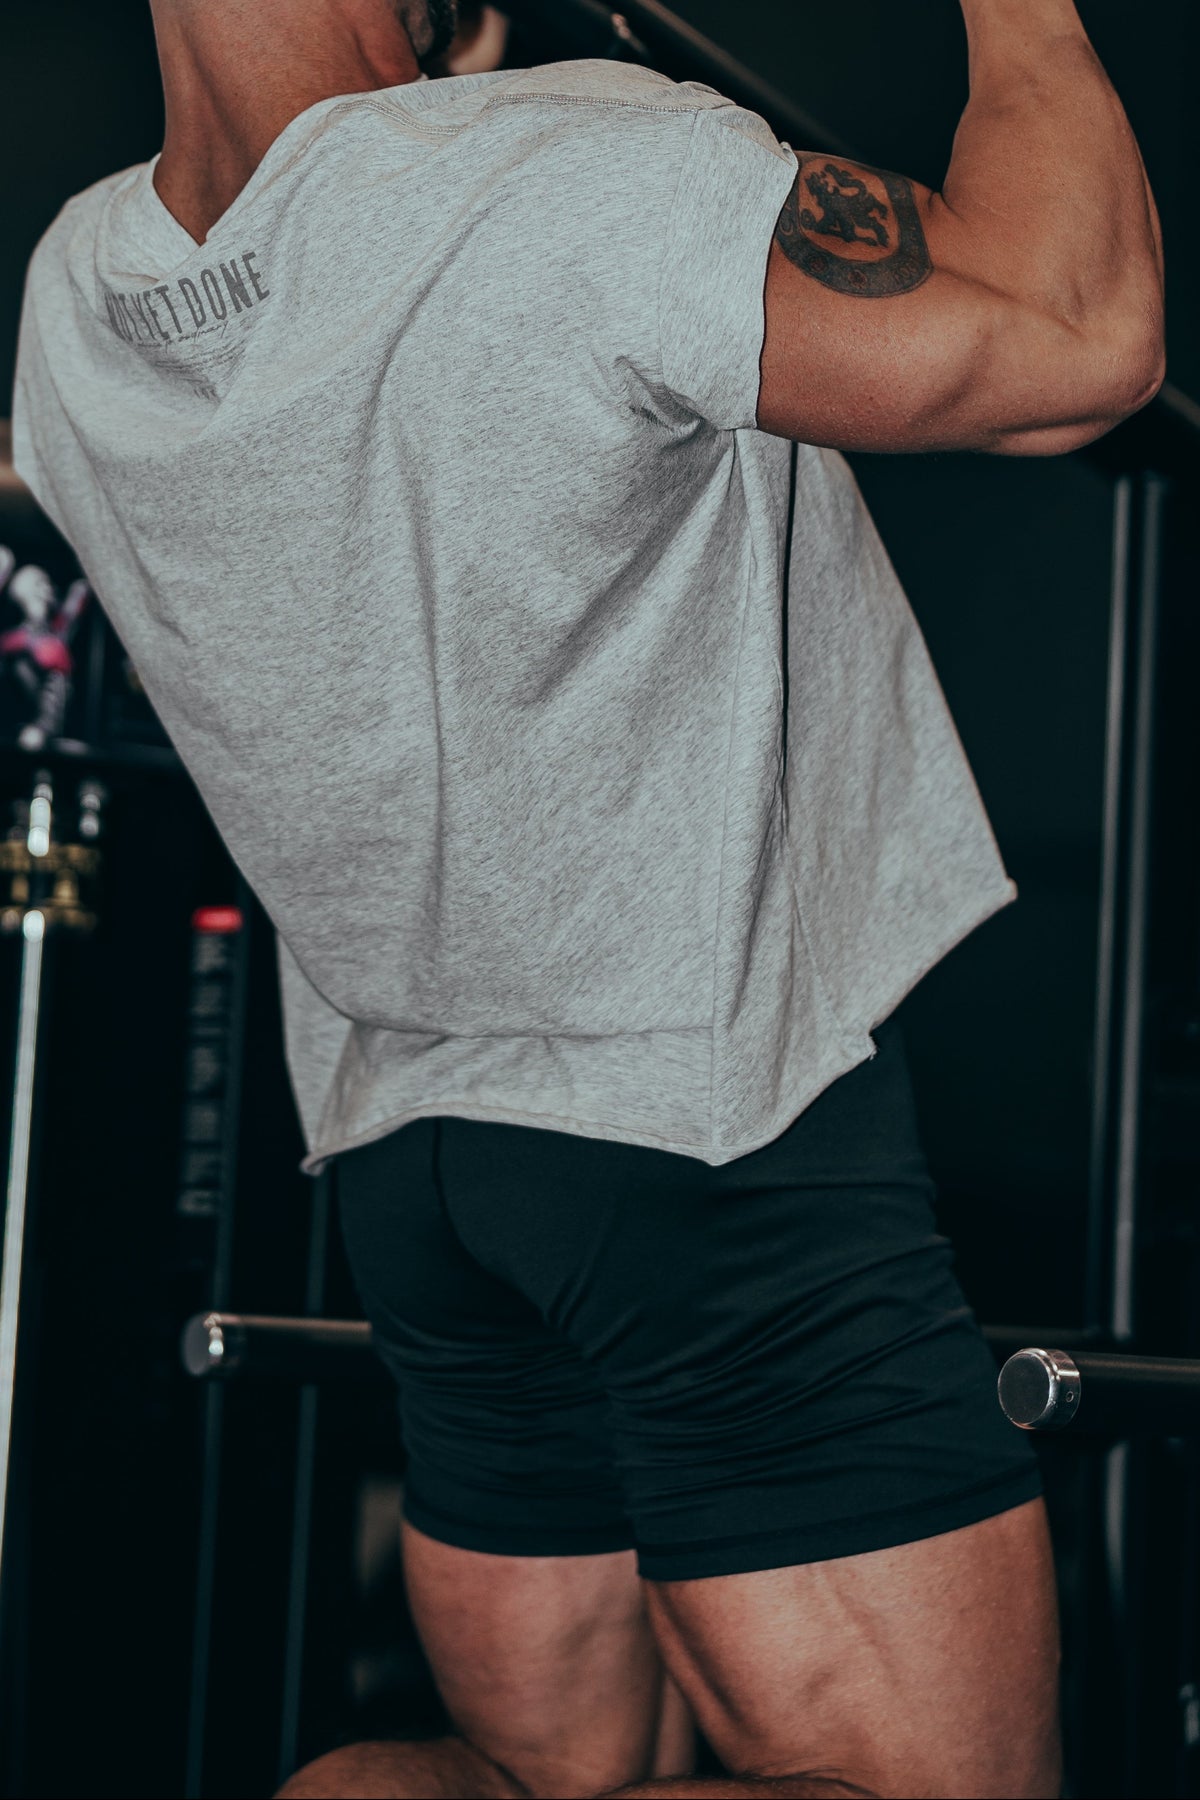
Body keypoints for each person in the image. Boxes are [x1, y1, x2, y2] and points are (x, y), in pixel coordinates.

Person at [12, 0, 1163, 1794]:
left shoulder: (76, 297)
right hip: (706, 1145)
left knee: (530, 1781)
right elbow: (1081, 331)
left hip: (418, 1176)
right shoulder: (567, 171)